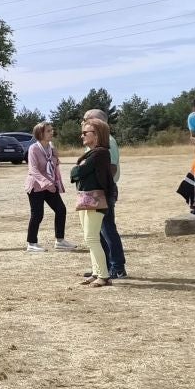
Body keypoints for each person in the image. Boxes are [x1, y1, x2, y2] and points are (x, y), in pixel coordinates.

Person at [81, 107, 127, 279]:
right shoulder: (96, 142)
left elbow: (112, 168)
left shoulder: (108, 141)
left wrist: (103, 189)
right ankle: (103, 267)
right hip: (95, 190)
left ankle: (117, 267)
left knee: (107, 228)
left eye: (86, 119)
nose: (83, 122)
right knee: (98, 231)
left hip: (102, 190)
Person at [71, 117, 118, 286]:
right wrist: (79, 168)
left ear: (96, 134)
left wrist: (79, 168)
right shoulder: (92, 153)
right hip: (86, 197)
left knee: (91, 238)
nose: (82, 136)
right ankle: (97, 272)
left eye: (85, 133)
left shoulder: (100, 152)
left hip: (97, 198)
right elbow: (75, 172)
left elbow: (77, 172)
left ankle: (104, 276)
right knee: (89, 237)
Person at [24, 122, 76, 254]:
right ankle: (32, 243)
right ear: (40, 133)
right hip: (36, 186)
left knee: (61, 209)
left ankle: (60, 241)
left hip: (50, 185)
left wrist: (56, 157)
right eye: (48, 131)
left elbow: (54, 166)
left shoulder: (51, 147)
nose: (51, 132)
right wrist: (46, 182)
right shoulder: (33, 149)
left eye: (51, 130)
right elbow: (33, 169)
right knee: (37, 214)